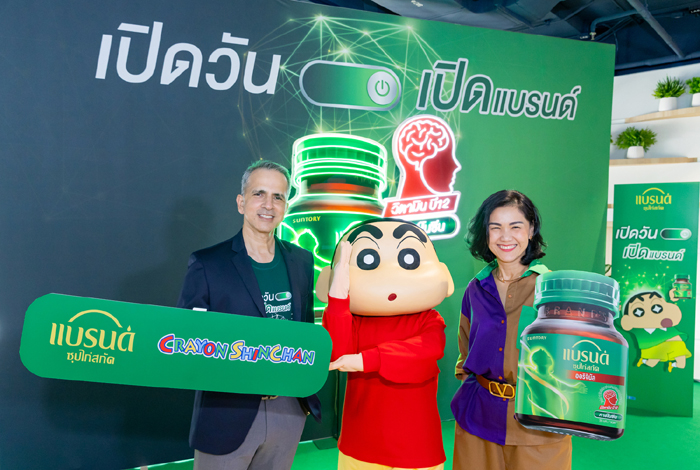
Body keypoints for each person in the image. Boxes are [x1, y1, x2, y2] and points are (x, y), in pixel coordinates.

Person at [176, 160, 321, 470]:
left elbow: (306, 330)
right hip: (228, 411)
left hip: (287, 409)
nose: (269, 204)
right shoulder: (207, 264)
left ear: (285, 205)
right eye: (259, 194)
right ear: (241, 203)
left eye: (278, 196)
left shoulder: (301, 261)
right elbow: (187, 342)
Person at [315, 219, 453, 470]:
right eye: (368, 259)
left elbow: (427, 349)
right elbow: (336, 353)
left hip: (417, 445)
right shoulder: (354, 320)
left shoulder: (428, 319)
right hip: (360, 443)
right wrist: (338, 293)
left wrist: (366, 360)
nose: (389, 273)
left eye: (409, 258)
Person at [450, 190, 571, 470]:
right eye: (496, 227)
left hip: (539, 421)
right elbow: (465, 348)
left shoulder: (553, 289)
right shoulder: (475, 288)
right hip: (478, 419)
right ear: (485, 233)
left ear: (531, 229)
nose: (505, 237)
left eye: (515, 226)